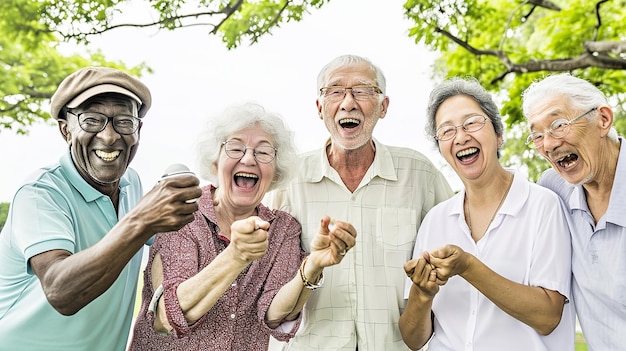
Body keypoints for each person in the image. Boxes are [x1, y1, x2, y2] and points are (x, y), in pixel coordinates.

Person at [0, 67, 202, 351]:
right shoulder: (40, 193)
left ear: (138, 129)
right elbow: (61, 291)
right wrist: (141, 221)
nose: (109, 137)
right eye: (92, 120)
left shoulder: (131, 183)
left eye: (123, 121)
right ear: (65, 129)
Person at [128, 102, 357, 350]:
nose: (249, 159)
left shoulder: (283, 229)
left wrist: (311, 267)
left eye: (263, 152)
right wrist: (236, 256)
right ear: (215, 163)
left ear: (276, 171)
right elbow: (166, 319)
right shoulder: (182, 214)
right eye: (235, 148)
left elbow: (273, 314)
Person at [266, 54, 454, 351]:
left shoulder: (419, 173)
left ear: (383, 107)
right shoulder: (289, 180)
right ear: (320, 108)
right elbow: (268, 287)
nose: (348, 102)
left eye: (363, 91)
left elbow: (456, 250)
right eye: (335, 91)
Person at [398, 77, 574, 350]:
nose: (460, 137)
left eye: (472, 123)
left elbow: (548, 317)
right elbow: (413, 339)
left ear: (498, 134)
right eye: (446, 131)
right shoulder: (435, 220)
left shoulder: (543, 206)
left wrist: (468, 267)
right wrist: (422, 293)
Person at [522, 73, 626, 351]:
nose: (548, 144)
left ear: (603, 120)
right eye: (537, 135)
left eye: (559, 125)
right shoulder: (554, 189)